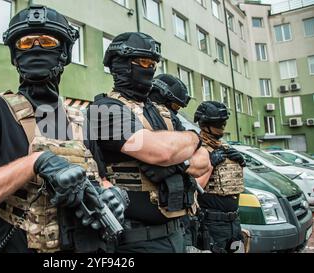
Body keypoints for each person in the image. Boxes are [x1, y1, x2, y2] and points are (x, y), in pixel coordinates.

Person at [0, 5, 128, 253]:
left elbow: (101, 178)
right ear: (15, 55)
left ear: (64, 53)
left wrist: (114, 194)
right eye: (26, 42)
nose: (36, 47)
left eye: (47, 41)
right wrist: (35, 163)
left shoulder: (82, 120)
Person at [87, 32, 211, 253]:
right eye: (144, 61)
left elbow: (204, 162)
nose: (150, 68)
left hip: (178, 233)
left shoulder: (162, 112)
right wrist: (189, 145)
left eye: (153, 63)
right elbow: (161, 152)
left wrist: (188, 148)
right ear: (121, 64)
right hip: (135, 240)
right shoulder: (105, 110)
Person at [148, 74, 201, 251]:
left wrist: (182, 161)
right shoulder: (142, 119)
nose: (175, 112)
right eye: (175, 106)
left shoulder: (172, 121)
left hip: (179, 216)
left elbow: (200, 161)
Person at [193, 101, 246, 253]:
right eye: (218, 123)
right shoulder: (197, 149)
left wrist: (241, 162)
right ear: (205, 124)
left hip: (234, 222)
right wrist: (210, 164)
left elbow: (234, 183)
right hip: (212, 224)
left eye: (224, 123)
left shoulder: (224, 147)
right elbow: (193, 188)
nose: (223, 126)